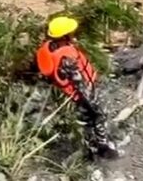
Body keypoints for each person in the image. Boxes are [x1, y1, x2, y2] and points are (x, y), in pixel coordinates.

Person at [36, 17, 117, 158]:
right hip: (83, 95)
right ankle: (102, 148)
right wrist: (93, 105)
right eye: (71, 32)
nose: (73, 34)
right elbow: (80, 85)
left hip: (75, 96)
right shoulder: (67, 59)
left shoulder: (52, 46)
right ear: (64, 35)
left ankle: (90, 147)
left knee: (86, 121)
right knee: (96, 118)